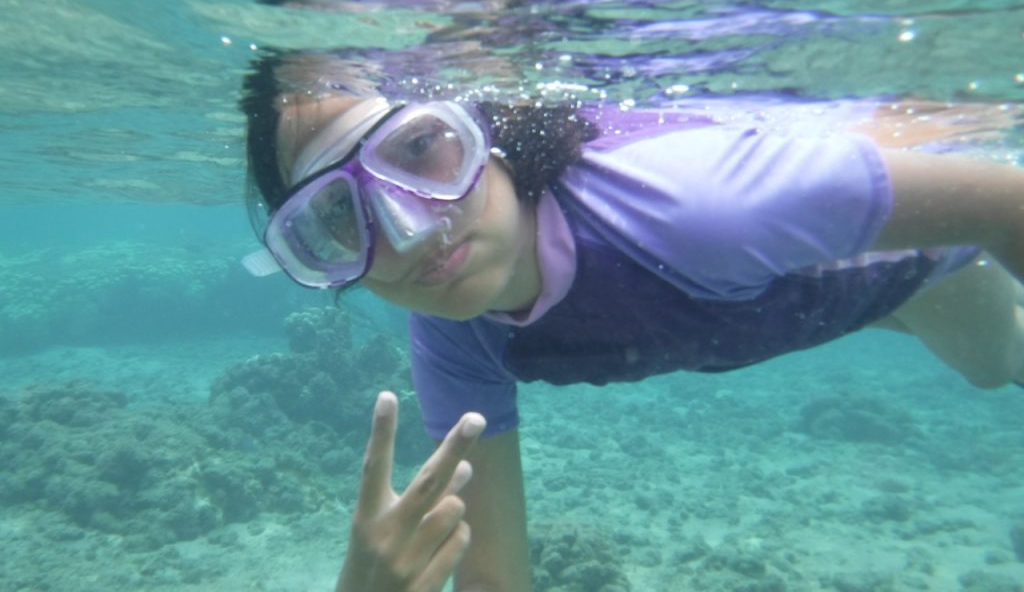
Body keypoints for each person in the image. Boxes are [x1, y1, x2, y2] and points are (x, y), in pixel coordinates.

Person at [240, 48, 1024, 591]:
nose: (410, 233)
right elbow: (494, 580)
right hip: (761, 308)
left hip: (930, 267)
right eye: (340, 221)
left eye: (419, 152)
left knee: (996, 364)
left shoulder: (698, 206)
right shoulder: (455, 324)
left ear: (488, 134)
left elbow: (1008, 203)